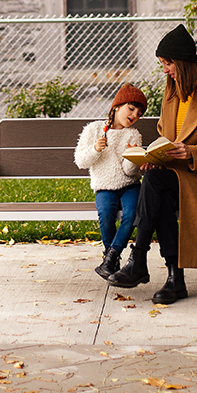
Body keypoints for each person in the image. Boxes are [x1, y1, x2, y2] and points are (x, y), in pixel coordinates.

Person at [108, 24, 197, 304]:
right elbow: (165, 135)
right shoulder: (171, 93)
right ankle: (172, 280)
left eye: (167, 63)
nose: (165, 70)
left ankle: (140, 259)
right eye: (162, 64)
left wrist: (192, 152)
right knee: (157, 188)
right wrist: (152, 156)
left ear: (182, 63)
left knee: (156, 188)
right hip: (173, 175)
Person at [74, 83, 148, 280]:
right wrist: (95, 149)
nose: (134, 115)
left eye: (139, 113)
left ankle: (111, 255)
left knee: (132, 213)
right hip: (105, 187)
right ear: (117, 106)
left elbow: (129, 171)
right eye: (131, 108)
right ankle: (111, 258)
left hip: (129, 186)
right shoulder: (94, 129)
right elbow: (81, 161)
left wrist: (132, 156)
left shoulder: (133, 134)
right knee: (106, 214)